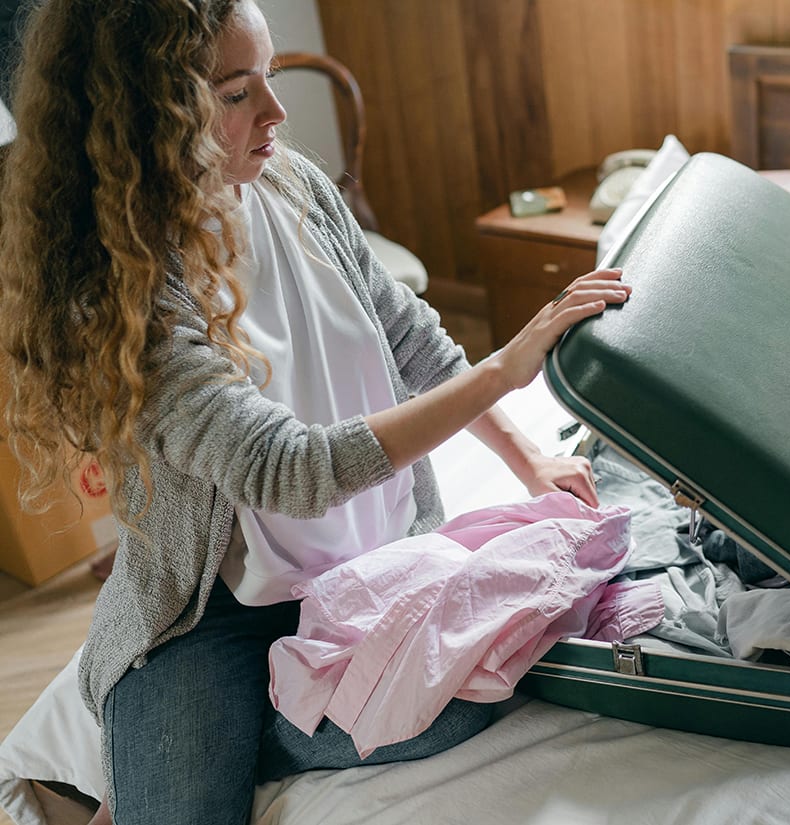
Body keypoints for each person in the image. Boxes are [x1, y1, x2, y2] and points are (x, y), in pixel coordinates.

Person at [0, 1, 631, 823]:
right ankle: (153, 733)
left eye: (271, 75)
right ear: (148, 116)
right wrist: (507, 368)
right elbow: (286, 469)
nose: (276, 112)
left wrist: (527, 458)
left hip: (366, 559)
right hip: (214, 620)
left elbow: (410, 336)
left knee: (476, 695)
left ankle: (251, 724)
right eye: (235, 93)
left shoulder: (293, 185)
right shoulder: (120, 288)